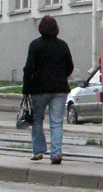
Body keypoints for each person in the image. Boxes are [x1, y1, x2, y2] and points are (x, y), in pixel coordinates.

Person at [23, 15, 75, 165]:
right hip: (59, 89)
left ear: (41, 28)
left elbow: (28, 69)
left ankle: (38, 151)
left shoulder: (35, 45)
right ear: (56, 28)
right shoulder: (62, 45)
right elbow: (69, 66)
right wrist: (60, 76)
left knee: (37, 119)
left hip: (39, 89)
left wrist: (26, 89)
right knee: (56, 122)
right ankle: (56, 154)